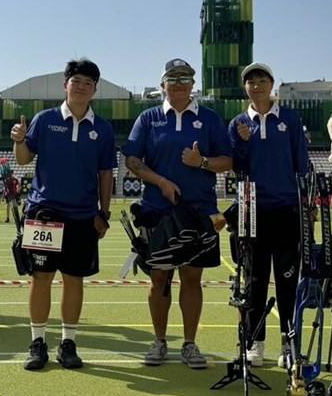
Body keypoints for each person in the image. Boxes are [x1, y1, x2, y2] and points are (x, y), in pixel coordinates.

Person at [123, 58, 232, 369]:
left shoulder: (210, 119)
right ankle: (159, 342)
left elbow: (228, 160)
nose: (179, 84)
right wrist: (161, 181)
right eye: (173, 79)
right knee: (158, 279)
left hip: (199, 212)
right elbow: (132, 160)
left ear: (193, 86)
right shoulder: (148, 119)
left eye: (185, 79)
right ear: (162, 86)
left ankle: (189, 344)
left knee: (192, 279)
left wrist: (202, 163)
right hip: (157, 211)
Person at [11, 59, 115, 370]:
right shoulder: (45, 120)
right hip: (44, 213)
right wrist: (18, 139)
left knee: (74, 280)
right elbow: (24, 158)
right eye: (76, 80)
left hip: (83, 216)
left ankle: (68, 342)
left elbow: (106, 174)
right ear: (65, 85)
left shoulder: (104, 129)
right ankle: (38, 341)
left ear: (95, 89)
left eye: (88, 82)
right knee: (40, 278)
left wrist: (104, 213)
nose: (81, 86)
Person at [228, 62, 310, 367]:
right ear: (245, 88)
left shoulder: (288, 118)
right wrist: (244, 143)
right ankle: (254, 343)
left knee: (288, 282)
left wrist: (309, 205)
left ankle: (290, 344)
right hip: (252, 212)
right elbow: (237, 166)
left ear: (272, 84)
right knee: (255, 281)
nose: (256, 85)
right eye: (250, 81)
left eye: (261, 80)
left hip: (287, 210)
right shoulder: (237, 123)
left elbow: (301, 163)